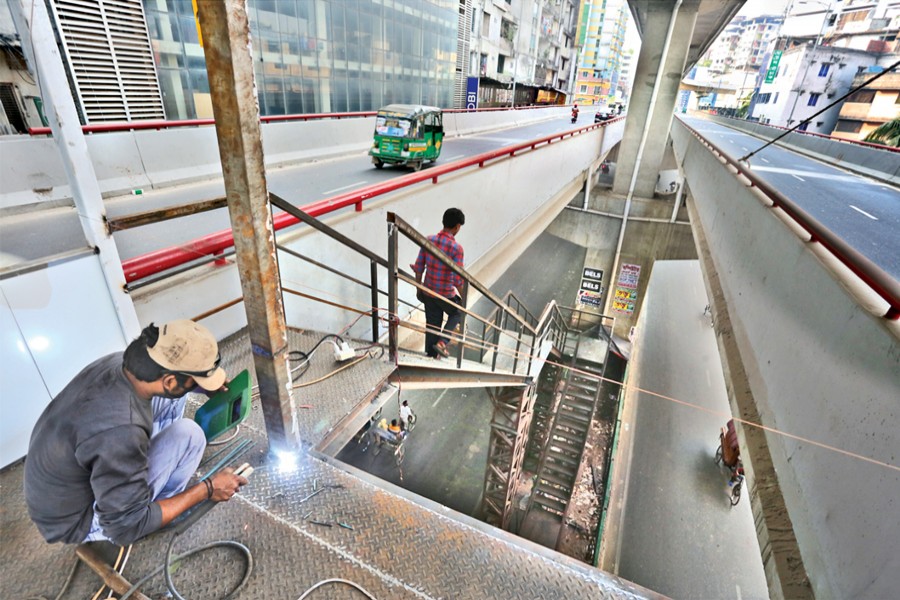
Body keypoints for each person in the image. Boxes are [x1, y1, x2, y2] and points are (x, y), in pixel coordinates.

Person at [24, 320, 247, 546]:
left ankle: (146, 477)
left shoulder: (119, 362)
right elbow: (124, 527)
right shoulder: (121, 432)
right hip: (77, 521)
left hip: (64, 480)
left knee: (173, 400)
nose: (195, 386)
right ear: (170, 380)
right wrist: (208, 489)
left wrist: (200, 385)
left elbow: (165, 391)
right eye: (193, 381)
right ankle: (158, 506)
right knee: (190, 436)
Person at [412, 208, 466, 359]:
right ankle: (442, 343)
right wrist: (465, 300)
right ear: (457, 227)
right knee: (458, 312)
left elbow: (418, 268)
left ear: (443, 222)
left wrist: (419, 289)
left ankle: (430, 357)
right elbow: (457, 280)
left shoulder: (428, 240)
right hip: (445, 295)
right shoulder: (457, 249)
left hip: (428, 292)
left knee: (432, 326)